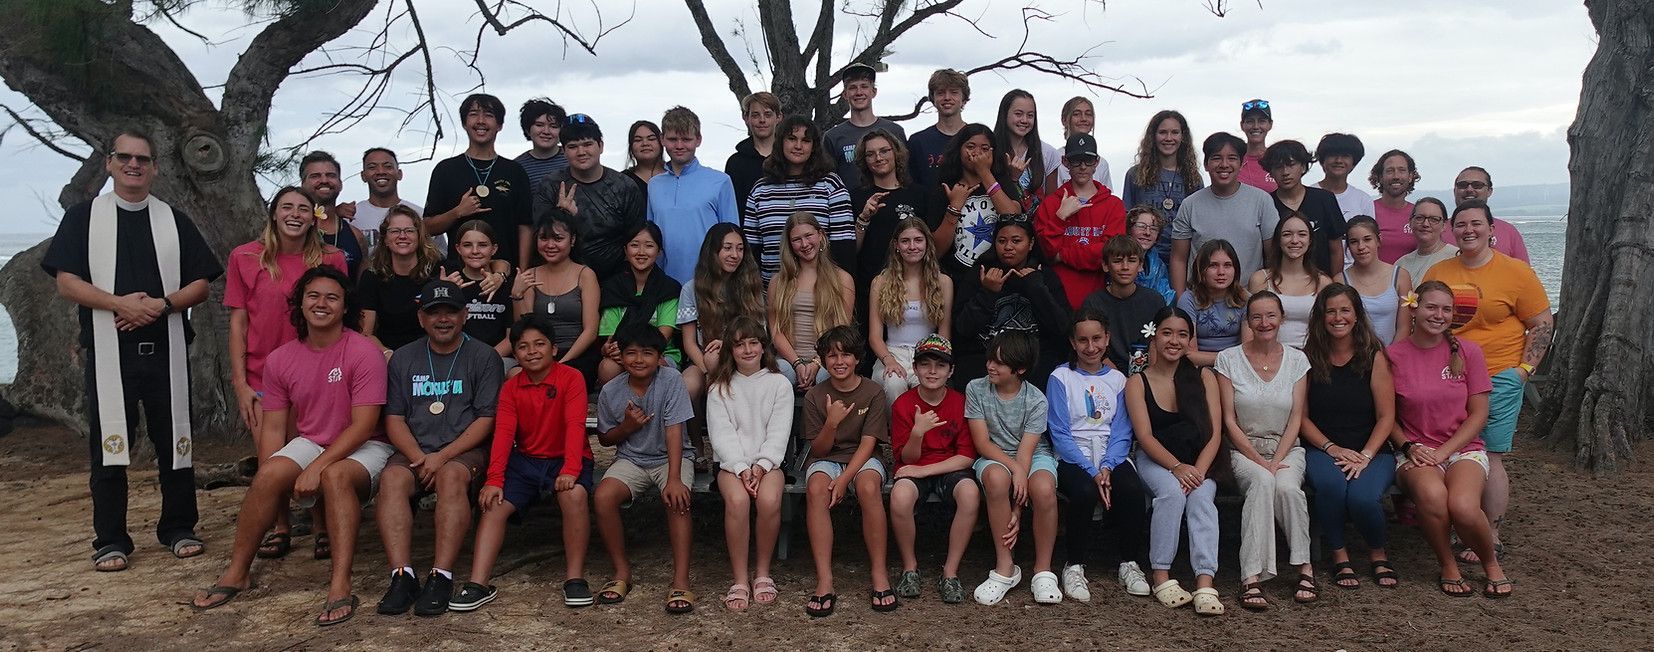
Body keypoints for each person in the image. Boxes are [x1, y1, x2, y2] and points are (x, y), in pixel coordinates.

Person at [43, 130, 223, 572]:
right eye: (124, 157)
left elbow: (201, 283)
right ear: (109, 163)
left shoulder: (173, 220)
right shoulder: (84, 219)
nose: (134, 165)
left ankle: (179, 527)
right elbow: (67, 282)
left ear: (155, 167)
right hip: (109, 353)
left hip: (165, 349)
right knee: (109, 447)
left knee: (175, 442)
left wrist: (160, 306)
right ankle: (111, 539)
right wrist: (118, 303)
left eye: (143, 159)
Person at [189, 266, 393, 626]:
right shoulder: (281, 358)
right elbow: (274, 428)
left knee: (336, 477)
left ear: (345, 307)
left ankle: (340, 584)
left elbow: (363, 427)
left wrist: (317, 467)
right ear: (300, 303)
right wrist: (276, 482)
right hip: (313, 440)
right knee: (268, 474)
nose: (321, 304)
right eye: (313, 296)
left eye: (332, 297)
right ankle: (237, 572)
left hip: (366, 446)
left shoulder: (363, 352)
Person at [1423, 199, 1552, 562]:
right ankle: (1459, 522)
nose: (1468, 231)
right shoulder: (1440, 270)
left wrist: (1523, 371)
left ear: (1492, 229)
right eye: (1461, 224)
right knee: (1451, 451)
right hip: (1448, 377)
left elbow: (1541, 323)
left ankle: (1490, 531)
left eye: (1476, 224)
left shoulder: (1516, 273)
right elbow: (1427, 320)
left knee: (1490, 456)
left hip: (1500, 376)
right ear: (1451, 229)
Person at [373, 280, 502, 616]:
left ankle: (441, 574)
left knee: (450, 476)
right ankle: (402, 575)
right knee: (392, 481)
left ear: (465, 315)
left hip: (463, 450)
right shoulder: (403, 358)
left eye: (451, 312)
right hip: (416, 449)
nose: (442, 319)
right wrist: (420, 458)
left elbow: (486, 419)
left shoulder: (483, 356)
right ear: (421, 318)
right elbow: (395, 418)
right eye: (434, 313)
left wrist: (442, 457)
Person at [451, 314, 595, 611]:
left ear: (554, 349)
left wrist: (569, 470)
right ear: (514, 353)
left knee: (574, 495)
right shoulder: (511, 388)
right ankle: (478, 583)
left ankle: (575, 578)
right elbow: (504, 434)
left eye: (539, 344)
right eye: (523, 346)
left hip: (567, 458)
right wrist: (493, 479)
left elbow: (575, 426)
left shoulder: (571, 378)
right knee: (493, 503)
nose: (532, 351)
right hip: (526, 460)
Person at [1388, 281, 1512, 598]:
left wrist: (1443, 452)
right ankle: (1447, 564)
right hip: (1414, 452)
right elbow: (1386, 417)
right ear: (1414, 308)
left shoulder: (1468, 352)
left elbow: (1478, 414)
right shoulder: (1393, 356)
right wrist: (1409, 446)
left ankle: (1490, 563)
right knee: (1432, 496)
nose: (1438, 315)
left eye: (1446, 309)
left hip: (1461, 449)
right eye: (1431, 307)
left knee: (1464, 507)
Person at [1216, 292, 1315, 609]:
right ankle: (1252, 577)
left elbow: (1297, 417)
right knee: (1261, 482)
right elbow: (1228, 420)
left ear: (1282, 318)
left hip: (1286, 448)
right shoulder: (1228, 359)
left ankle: (1304, 567)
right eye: (1256, 316)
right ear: (1248, 321)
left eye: (1271, 315)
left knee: (1287, 488)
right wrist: (1260, 462)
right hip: (1244, 450)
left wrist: (1277, 460)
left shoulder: (1298, 360)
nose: (1264, 323)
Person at [226, 187, 348, 440]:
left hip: (317, 377)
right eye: (287, 207)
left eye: (303, 209)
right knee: (271, 467)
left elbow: (342, 320)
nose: (295, 214)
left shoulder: (331, 259)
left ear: (314, 218)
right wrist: (240, 383)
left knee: (308, 463)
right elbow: (239, 324)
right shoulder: (244, 257)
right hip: (262, 377)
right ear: (273, 214)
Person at [1299, 283, 1398, 590]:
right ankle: (1339, 554)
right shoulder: (1307, 359)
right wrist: (1332, 448)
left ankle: (1377, 552)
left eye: (1345, 310)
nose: (1338, 317)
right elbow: (1301, 418)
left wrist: (1365, 455)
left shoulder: (1374, 356)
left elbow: (1386, 417)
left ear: (1356, 316)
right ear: (1320, 316)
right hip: (1322, 447)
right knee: (1331, 486)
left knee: (1363, 497)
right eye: (1331, 311)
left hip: (1372, 449)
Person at [1126, 307, 1224, 616]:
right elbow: (1145, 437)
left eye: (1182, 334)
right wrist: (1177, 468)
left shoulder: (1203, 376)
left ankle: (1205, 580)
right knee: (1170, 492)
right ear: (1154, 335)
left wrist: (1197, 472)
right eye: (1167, 332)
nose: (1174, 340)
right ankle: (1161, 575)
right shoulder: (1137, 382)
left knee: (1202, 498)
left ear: (1190, 340)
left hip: (1199, 460)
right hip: (1157, 460)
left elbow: (1215, 434)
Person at [592, 325, 697, 613]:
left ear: (660, 357)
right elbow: (604, 438)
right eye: (631, 353)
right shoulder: (611, 390)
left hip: (670, 457)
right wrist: (627, 427)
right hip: (632, 458)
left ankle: (680, 580)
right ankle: (621, 572)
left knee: (678, 500)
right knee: (603, 497)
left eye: (647, 353)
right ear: (621, 358)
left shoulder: (671, 379)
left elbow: (675, 431)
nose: (639, 360)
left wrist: (674, 478)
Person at [1048, 310, 1151, 601]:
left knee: (1131, 489)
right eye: (1083, 340)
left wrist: (1106, 466)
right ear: (1072, 342)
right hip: (1072, 454)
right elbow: (1059, 431)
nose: (1090, 347)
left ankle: (1129, 562)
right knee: (1081, 492)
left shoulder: (1119, 380)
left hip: (1111, 453)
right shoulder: (1060, 377)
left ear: (1107, 338)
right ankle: (1074, 564)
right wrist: (1091, 471)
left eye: (1097, 338)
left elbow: (1121, 431)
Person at [801, 325, 895, 615]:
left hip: (862, 457)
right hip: (827, 457)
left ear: (857, 359)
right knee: (817, 488)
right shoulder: (816, 395)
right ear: (823, 360)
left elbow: (868, 444)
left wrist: (844, 479)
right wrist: (831, 422)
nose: (839, 361)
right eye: (831, 356)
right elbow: (818, 450)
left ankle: (879, 574)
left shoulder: (873, 392)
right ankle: (825, 580)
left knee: (868, 487)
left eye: (846, 355)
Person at [705, 315, 793, 611]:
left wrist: (762, 465)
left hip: (769, 463)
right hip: (732, 465)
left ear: (763, 346)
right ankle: (740, 578)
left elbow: (779, 431)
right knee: (738, 501)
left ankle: (763, 573)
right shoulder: (720, 388)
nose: (747, 350)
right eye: (739, 344)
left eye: (753, 343)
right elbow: (722, 435)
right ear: (730, 350)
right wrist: (742, 468)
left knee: (769, 500)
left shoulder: (779, 384)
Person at [967, 331, 1061, 605]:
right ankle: (1005, 567)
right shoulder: (976, 389)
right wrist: (1014, 470)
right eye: (990, 359)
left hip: (1030, 454)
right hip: (995, 453)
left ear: (1019, 369)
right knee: (996, 479)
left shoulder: (1036, 400)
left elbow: (1027, 451)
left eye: (999, 363)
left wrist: (1017, 509)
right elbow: (982, 442)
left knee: (1043, 489)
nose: (990, 366)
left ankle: (1043, 570)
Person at [887, 335, 980, 604]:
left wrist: (924, 471)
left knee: (970, 493)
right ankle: (909, 567)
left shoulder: (960, 402)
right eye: (925, 364)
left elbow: (966, 456)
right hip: (913, 464)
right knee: (900, 496)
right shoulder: (903, 404)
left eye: (940, 366)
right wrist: (917, 432)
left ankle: (950, 572)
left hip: (948, 467)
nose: (932, 371)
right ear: (914, 369)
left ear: (950, 371)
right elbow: (907, 457)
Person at [951, 217, 1071, 389]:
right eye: (1001, 241)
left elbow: (1062, 329)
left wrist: (1037, 289)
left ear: (1030, 244)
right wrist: (987, 293)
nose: (1008, 247)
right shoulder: (980, 273)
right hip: (984, 364)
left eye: (1016, 241)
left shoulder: (1045, 276)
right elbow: (962, 329)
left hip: (1033, 366)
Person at [425, 94, 534, 268]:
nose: (481, 121)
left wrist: (522, 272)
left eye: (489, 115)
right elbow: (428, 227)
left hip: (505, 272)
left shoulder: (515, 171)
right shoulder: (445, 170)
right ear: (464, 123)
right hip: (459, 274)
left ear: (499, 125)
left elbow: (525, 227)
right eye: (474, 114)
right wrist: (457, 212)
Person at [534, 113, 646, 280]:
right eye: (572, 147)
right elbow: (541, 238)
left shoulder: (625, 186)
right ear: (563, 151)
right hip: (563, 277)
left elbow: (635, 236)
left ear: (600, 146)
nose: (581, 152)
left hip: (617, 278)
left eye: (588, 144)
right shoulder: (550, 185)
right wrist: (561, 216)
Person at [745, 115, 855, 279]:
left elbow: (844, 247)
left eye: (805, 140)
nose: (798, 146)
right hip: (772, 292)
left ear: (814, 146)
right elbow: (751, 250)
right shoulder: (760, 190)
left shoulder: (831, 185)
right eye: (791, 139)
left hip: (821, 291)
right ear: (781, 142)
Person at [851, 129, 941, 330]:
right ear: (864, 160)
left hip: (914, 290)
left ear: (896, 153)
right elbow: (851, 251)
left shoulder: (919, 195)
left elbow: (932, 245)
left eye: (884, 151)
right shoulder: (856, 197)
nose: (878, 157)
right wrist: (864, 218)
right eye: (870, 154)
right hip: (871, 287)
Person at [1170, 132, 1279, 295]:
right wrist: (1180, 302)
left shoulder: (1261, 201)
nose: (1224, 164)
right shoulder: (1190, 204)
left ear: (1242, 163)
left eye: (1232, 158)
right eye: (1216, 158)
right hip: (1201, 301)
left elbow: (1274, 257)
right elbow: (1178, 259)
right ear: (1206, 164)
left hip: (1249, 300)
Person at [647, 106, 741, 284]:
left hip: (710, 283)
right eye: (673, 139)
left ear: (698, 140)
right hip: (664, 285)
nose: (680, 145)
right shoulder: (654, 185)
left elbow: (733, 239)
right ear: (662, 140)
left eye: (686, 139)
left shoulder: (720, 182)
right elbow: (651, 238)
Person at [1034, 133, 1128, 310]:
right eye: (1076, 160)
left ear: (1097, 162)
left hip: (1100, 303)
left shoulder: (1114, 205)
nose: (1083, 167)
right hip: (1057, 303)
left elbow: (1109, 253)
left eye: (1088, 160)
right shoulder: (1052, 204)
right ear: (1065, 162)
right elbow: (1044, 253)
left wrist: (1062, 255)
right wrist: (1060, 217)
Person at [678, 224, 767, 406]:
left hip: (744, 356)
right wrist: (708, 372)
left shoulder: (751, 286)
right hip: (703, 360)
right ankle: (694, 436)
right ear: (712, 251)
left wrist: (729, 343)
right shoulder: (691, 289)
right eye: (727, 248)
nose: (735, 255)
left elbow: (761, 332)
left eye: (740, 249)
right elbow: (689, 343)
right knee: (688, 385)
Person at [511, 212, 602, 387]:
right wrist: (517, 296)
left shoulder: (585, 275)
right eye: (544, 238)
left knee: (563, 378)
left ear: (572, 240)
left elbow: (590, 331)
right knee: (514, 373)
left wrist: (561, 364)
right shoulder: (530, 275)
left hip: (576, 356)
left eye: (558, 239)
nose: (550, 245)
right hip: (538, 355)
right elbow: (524, 328)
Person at [869, 217, 953, 404]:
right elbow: (874, 336)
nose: (912, 246)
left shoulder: (943, 282)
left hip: (928, 351)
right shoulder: (881, 282)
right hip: (891, 351)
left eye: (918, 240)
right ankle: (896, 432)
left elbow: (944, 334)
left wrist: (934, 363)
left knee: (925, 385)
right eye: (905, 241)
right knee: (893, 383)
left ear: (927, 243)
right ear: (896, 245)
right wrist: (889, 361)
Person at [769, 212, 855, 390]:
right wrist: (797, 364)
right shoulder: (778, 282)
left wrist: (817, 363)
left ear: (821, 235)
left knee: (829, 375)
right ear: (790, 244)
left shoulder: (842, 279)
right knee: (778, 376)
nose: (805, 244)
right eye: (797, 239)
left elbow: (841, 330)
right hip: (789, 359)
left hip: (828, 357)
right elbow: (776, 332)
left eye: (809, 236)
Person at [594, 222, 683, 385]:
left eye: (649, 246)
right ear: (625, 251)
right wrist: (609, 348)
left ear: (659, 252)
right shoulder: (613, 288)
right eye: (634, 245)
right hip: (623, 353)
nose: (641, 252)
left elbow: (662, 337)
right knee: (607, 367)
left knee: (655, 365)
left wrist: (636, 353)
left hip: (660, 353)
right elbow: (610, 338)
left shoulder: (669, 288)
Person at [934, 123, 1022, 283]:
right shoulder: (946, 187)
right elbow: (936, 251)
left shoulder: (1001, 181)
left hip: (998, 275)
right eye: (970, 146)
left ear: (993, 152)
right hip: (955, 278)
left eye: (984, 148)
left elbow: (1013, 218)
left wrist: (984, 172)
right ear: (959, 149)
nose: (977, 153)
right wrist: (954, 207)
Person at [1122, 110, 1204, 266]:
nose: (1168, 138)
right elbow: (1127, 218)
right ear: (1153, 136)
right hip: (1144, 257)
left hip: (1182, 258)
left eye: (1175, 132)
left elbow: (1199, 223)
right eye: (1162, 132)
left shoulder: (1193, 178)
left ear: (1183, 137)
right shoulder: (1135, 175)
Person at [359, 206, 443, 356]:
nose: (402, 236)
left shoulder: (439, 270)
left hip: (433, 354)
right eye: (395, 231)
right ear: (385, 239)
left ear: (419, 236)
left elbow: (481, 266)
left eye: (409, 231)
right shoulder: (371, 277)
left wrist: (499, 273)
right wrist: (386, 353)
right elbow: (365, 333)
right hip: (390, 354)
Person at [1080, 236, 1167, 374]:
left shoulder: (1154, 300)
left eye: (1132, 261)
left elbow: (1159, 343)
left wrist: (1147, 379)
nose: (1125, 267)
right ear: (1105, 265)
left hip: (1148, 373)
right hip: (1104, 373)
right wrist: (1118, 378)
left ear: (1140, 266)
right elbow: (1092, 347)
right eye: (1117, 261)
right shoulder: (1093, 303)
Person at [1247, 212, 1333, 348]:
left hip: (1312, 359)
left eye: (1302, 234)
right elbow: (1249, 327)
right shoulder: (1260, 280)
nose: (1294, 240)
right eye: (1287, 234)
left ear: (1310, 240)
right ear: (1278, 240)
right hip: (1269, 358)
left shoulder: (1323, 282)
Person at [1264, 140, 1346, 274]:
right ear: (1270, 172)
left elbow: (1336, 249)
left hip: (1322, 284)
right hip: (1280, 284)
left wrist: (1335, 284)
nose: (1285, 172)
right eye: (1278, 167)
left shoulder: (1324, 199)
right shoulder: (1266, 202)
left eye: (1291, 165)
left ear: (1303, 167)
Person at [823, 62, 908, 189]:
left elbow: (905, 173)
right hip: (848, 206)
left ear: (873, 92)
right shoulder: (832, 137)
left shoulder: (894, 131)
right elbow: (828, 181)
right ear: (845, 95)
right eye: (852, 87)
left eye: (864, 86)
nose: (859, 92)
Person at [336, 148, 428, 256]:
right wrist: (334, 214)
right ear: (363, 176)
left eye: (388, 166)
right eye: (372, 167)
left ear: (399, 174)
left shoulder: (420, 215)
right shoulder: (349, 216)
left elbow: (437, 255)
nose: (380, 171)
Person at [442, 220, 514, 359]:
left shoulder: (505, 284)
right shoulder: (451, 281)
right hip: (456, 358)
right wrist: (446, 295)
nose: (475, 251)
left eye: (482, 245)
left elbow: (512, 337)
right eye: (467, 245)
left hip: (498, 357)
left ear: (494, 249)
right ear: (458, 248)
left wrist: (485, 360)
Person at [1178, 239, 1250, 367]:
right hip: (1200, 368)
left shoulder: (1245, 299)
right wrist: (1228, 360)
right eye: (1213, 265)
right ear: (1201, 270)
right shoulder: (1188, 300)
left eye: (1227, 265)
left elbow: (1249, 350)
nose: (1221, 272)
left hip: (1237, 369)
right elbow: (1189, 354)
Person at [1341, 216, 1413, 344]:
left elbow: (1404, 327)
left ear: (1378, 240)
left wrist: (1389, 358)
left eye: (1367, 239)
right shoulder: (1340, 280)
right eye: (1354, 242)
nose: (1361, 246)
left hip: (1392, 357)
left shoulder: (1400, 276)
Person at [300, 151, 369, 277]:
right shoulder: (293, 232)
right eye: (315, 176)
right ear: (303, 184)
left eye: (331, 175)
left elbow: (362, 286)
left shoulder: (356, 236)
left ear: (340, 184)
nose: (324, 180)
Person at [993, 89, 1060, 214]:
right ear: (1004, 114)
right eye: (1018, 114)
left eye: (1030, 115)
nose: (1024, 120)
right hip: (999, 227)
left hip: (1036, 228)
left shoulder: (1048, 153)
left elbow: (1051, 203)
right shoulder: (990, 149)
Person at [1450, 167, 1531, 263]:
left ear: (1489, 191)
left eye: (1477, 185)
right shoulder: (1437, 231)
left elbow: (1523, 272)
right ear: (1454, 190)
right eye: (1463, 185)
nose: (1469, 189)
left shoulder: (1509, 231)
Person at [908, 69, 970, 191]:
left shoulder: (977, 138)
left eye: (954, 92)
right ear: (933, 98)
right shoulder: (918, 142)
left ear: (963, 99)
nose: (947, 97)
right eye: (940, 93)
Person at [725, 92, 782, 210]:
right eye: (755, 115)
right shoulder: (736, 163)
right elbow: (733, 206)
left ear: (778, 117)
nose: (762, 120)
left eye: (768, 115)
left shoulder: (789, 158)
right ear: (746, 118)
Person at [1368, 149, 1419, 263]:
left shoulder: (1418, 214)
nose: (1396, 176)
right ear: (1380, 177)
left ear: (1410, 176)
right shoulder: (1368, 210)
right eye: (1390, 171)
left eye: (1402, 170)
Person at [1314, 133, 1375, 226]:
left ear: (1353, 163)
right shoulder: (1308, 195)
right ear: (1323, 161)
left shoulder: (1363, 200)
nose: (1338, 160)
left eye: (1345, 156)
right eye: (1333, 155)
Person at [1053, 96, 1114, 189]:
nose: (1083, 119)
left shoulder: (1101, 163)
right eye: (1077, 114)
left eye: (1088, 114)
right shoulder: (1055, 158)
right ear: (1064, 120)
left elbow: (1107, 197)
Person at [1395, 197, 1457, 283]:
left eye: (1434, 219)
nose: (1425, 224)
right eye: (1420, 218)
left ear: (1444, 226)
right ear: (1410, 223)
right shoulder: (1402, 264)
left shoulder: (1456, 256)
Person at [513, 97, 568, 186]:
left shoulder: (573, 158)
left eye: (553, 126)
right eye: (539, 125)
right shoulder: (517, 167)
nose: (546, 131)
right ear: (527, 129)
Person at [1127, 207, 1175, 304]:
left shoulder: (1159, 267)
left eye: (1153, 229)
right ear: (1129, 229)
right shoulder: (1117, 259)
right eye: (1141, 226)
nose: (1147, 233)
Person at [1237, 99, 1276, 192]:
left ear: (1270, 125)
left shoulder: (1277, 160)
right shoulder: (1234, 160)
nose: (1255, 126)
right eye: (1250, 121)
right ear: (1242, 125)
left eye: (1261, 121)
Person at [622, 120, 666, 190]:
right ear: (631, 147)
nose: (645, 143)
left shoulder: (675, 173)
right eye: (638, 140)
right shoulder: (621, 181)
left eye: (651, 139)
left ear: (662, 142)